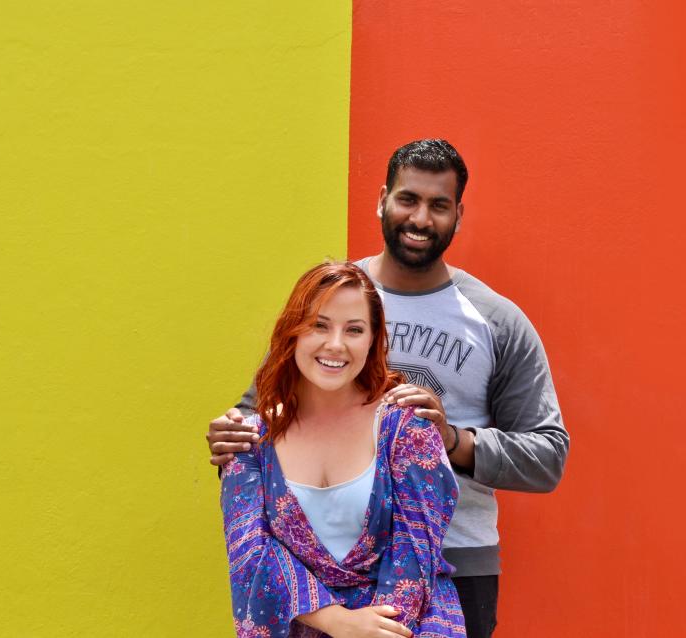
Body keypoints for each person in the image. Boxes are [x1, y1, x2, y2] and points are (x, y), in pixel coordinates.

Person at [210, 139, 569, 638]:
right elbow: (262, 417)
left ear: (458, 215)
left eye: (438, 206)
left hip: (455, 558)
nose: (420, 218)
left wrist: (452, 440)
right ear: (382, 199)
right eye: (408, 199)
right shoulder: (334, 298)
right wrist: (231, 438)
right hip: (318, 560)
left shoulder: (496, 321)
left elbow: (548, 454)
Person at [221, 261, 465, 637]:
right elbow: (250, 556)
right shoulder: (250, 442)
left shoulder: (407, 429)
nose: (335, 344)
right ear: (292, 332)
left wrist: (376, 630)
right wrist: (341, 623)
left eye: (354, 329)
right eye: (319, 325)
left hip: (404, 628)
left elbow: (415, 553)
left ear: (372, 340)